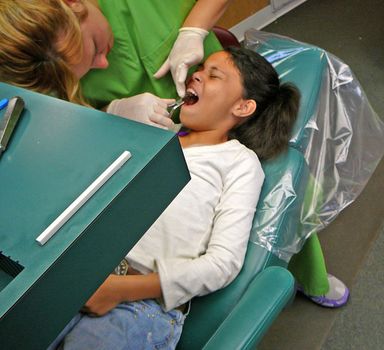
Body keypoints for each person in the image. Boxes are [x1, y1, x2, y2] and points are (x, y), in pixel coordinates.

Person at [47, 46, 300, 349]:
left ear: (243, 107)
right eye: (201, 69)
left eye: (213, 75)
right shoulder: (157, 134)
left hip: (140, 305)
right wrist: (114, 114)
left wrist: (120, 289)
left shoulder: (239, 163)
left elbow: (222, 264)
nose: (197, 75)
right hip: (80, 269)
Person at [0, 0, 231, 129]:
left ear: (73, 3)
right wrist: (111, 113)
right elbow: (68, 129)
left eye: (96, 46)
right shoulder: (32, 72)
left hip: (230, 113)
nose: (102, 63)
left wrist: (194, 29)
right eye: (86, 71)